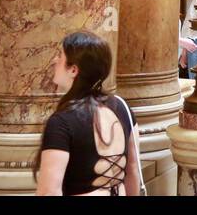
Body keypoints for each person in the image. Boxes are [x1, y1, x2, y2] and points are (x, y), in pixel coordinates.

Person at [35, 30, 142, 196]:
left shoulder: (62, 122)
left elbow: (48, 191)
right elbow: (133, 170)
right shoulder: (122, 107)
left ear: (73, 70)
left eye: (60, 55)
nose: (55, 60)